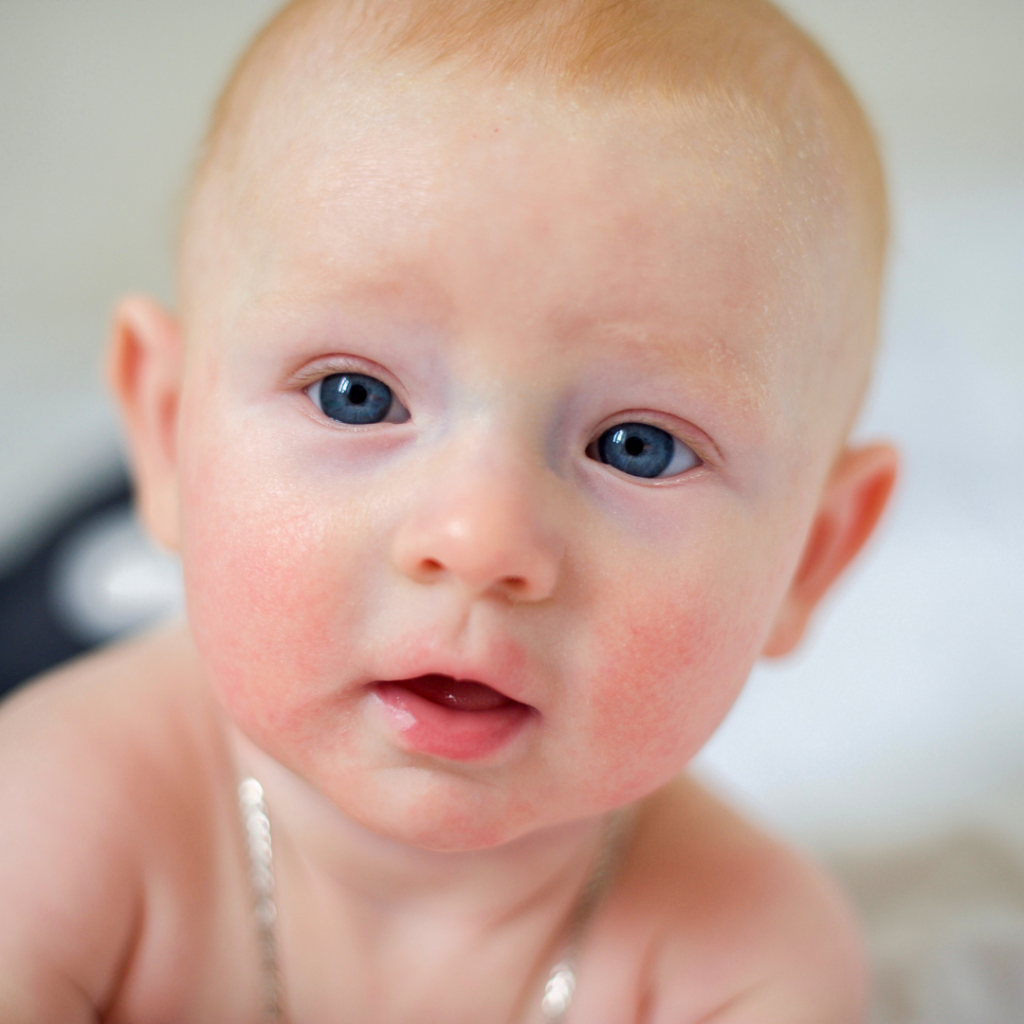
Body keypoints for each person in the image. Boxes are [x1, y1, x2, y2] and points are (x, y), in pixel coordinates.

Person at [0, 0, 899, 1020]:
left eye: (634, 448)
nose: (479, 543)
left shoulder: (746, 959)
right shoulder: (53, 816)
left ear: (811, 559)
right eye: (357, 395)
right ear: (165, 435)